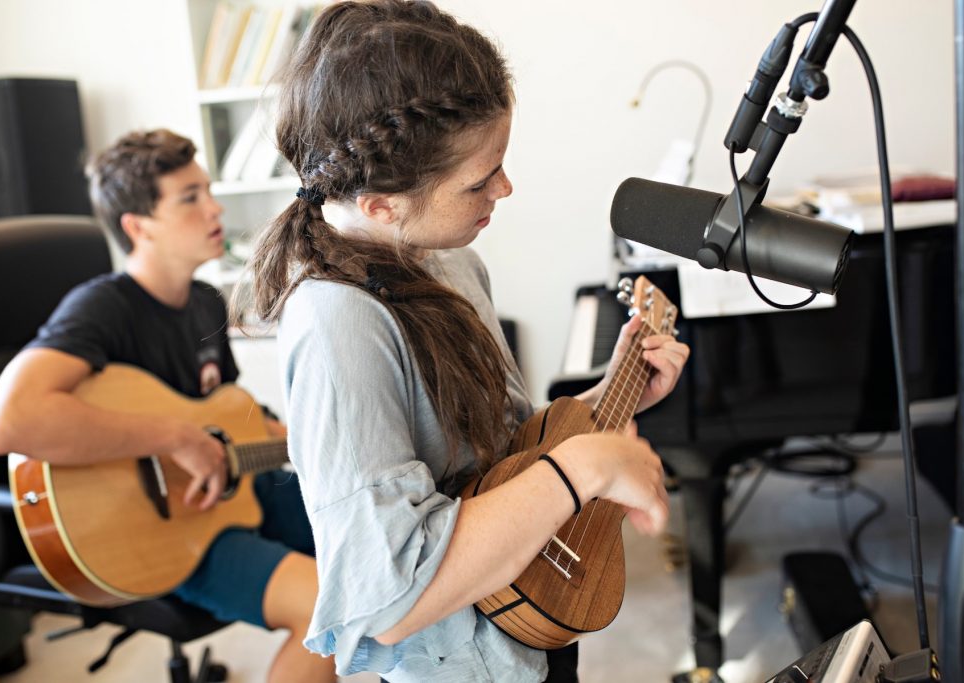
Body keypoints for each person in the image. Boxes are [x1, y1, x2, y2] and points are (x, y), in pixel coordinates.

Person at [242, 1, 691, 681]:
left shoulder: (450, 259)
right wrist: (586, 469)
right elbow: (388, 595)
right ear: (380, 203)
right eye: (480, 179)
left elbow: (505, 457)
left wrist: (612, 393)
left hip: (527, 620)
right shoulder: (338, 326)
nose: (505, 188)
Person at [0, 129, 336, 683]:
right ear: (137, 226)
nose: (213, 208)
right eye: (189, 198)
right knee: (325, 611)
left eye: (208, 191)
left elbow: (230, 416)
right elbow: (7, 423)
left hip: (236, 497)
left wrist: (299, 434)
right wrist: (176, 440)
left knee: (369, 537)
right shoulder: (101, 307)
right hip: (166, 534)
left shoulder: (204, 304)